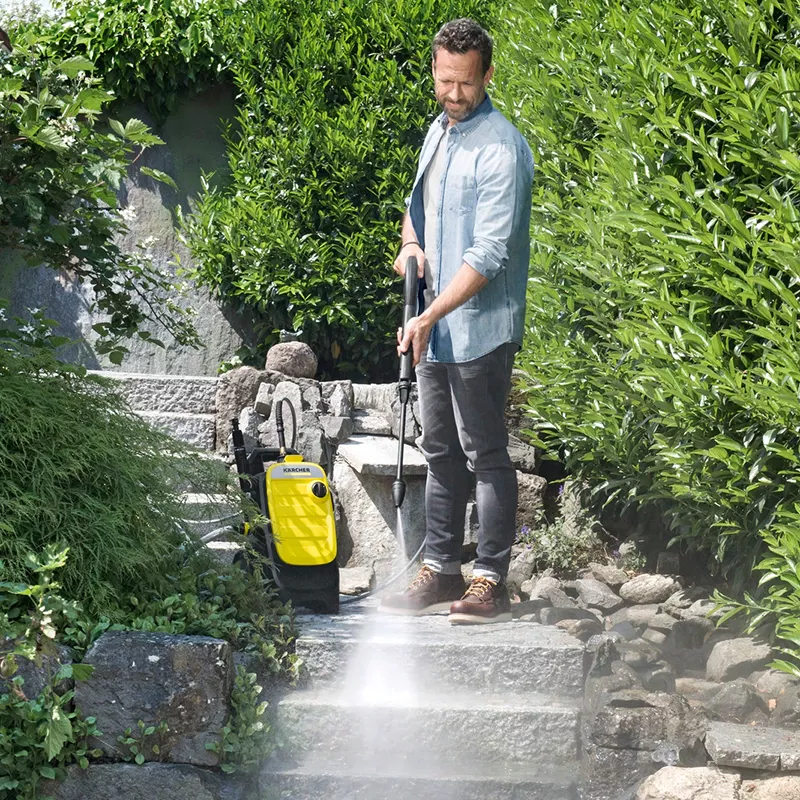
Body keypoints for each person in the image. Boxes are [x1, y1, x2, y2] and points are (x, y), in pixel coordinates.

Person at [380, 18, 533, 624]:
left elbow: (489, 255)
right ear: (435, 71)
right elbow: (416, 209)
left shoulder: (502, 148)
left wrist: (428, 316)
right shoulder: (436, 133)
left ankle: (489, 579)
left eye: (466, 83)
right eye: (445, 81)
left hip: (480, 330)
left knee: (485, 452)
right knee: (439, 449)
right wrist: (410, 247)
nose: (454, 93)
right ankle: (442, 570)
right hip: (434, 329)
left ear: (487, 75)